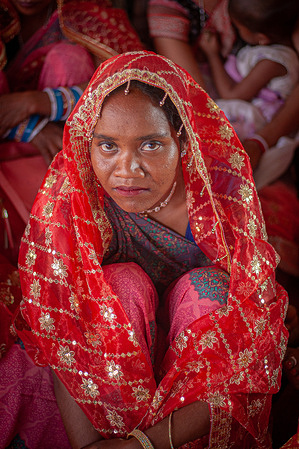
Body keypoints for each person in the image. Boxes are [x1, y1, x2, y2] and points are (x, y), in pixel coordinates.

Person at [15, 51, 288, 448]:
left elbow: (247, 353)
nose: (127, 169)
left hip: (197, 387)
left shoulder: (220, 201)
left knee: (208, 290)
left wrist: (142, 445)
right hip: (110, 378)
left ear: (183, 139)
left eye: (151, 145)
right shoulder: (75, 201)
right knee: (118, 285)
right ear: (86, 143)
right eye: (107, 146)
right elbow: (62, 333)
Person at [0, 0, 143, 265]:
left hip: (70, 145)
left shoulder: (91, 14)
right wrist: (31, 129)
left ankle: (77, 214)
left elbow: (135, 87)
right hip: (16, 151)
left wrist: (36, 102)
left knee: (68, 59)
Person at [199, 0, 299, 142]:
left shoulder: (272, 62)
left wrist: (212, 55)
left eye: (239, 29)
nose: (236, 32)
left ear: (261, 38)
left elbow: (231, 95)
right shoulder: (271, 51)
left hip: (259, 120)